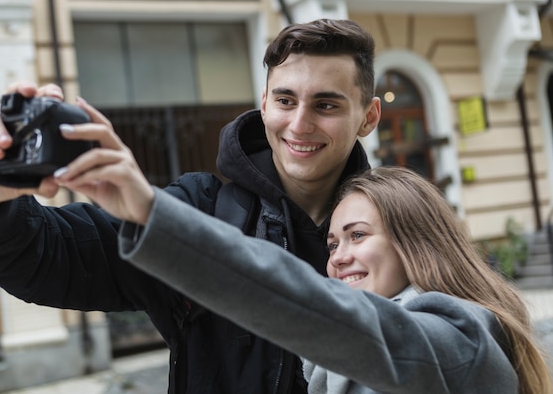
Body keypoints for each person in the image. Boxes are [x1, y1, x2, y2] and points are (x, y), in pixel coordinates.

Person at [0, 18, 381, 394]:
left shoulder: (400, 225)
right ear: (264, 105)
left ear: (369, 117)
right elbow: (54, 257)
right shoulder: (199, 212)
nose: (300, 123)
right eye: (286, 100)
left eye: (326, 105)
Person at [53, 140, 553, 394]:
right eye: (332, 242)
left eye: (358, 236)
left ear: (416, 243)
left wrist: (153, 215)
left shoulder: (462, 339)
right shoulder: (326, 372)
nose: (338, 256)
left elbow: (319, 312)